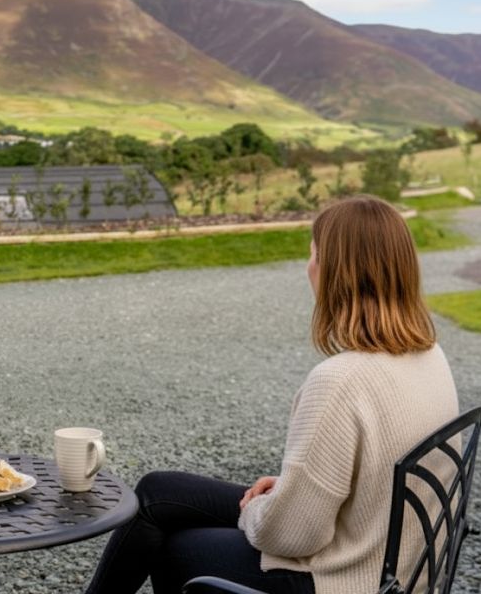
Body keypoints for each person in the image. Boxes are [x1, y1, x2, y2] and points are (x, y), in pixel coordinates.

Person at [83, 195, 459, 594]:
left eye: (314, 255)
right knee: (158, 491)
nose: (308, 267)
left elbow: (293, 538)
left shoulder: (339, 382)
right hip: (395, 560)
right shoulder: (429, 355)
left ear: (335, 272)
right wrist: (287, 491)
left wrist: (256, 510)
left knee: (174, 547)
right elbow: (367, 475)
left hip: (343, 577)